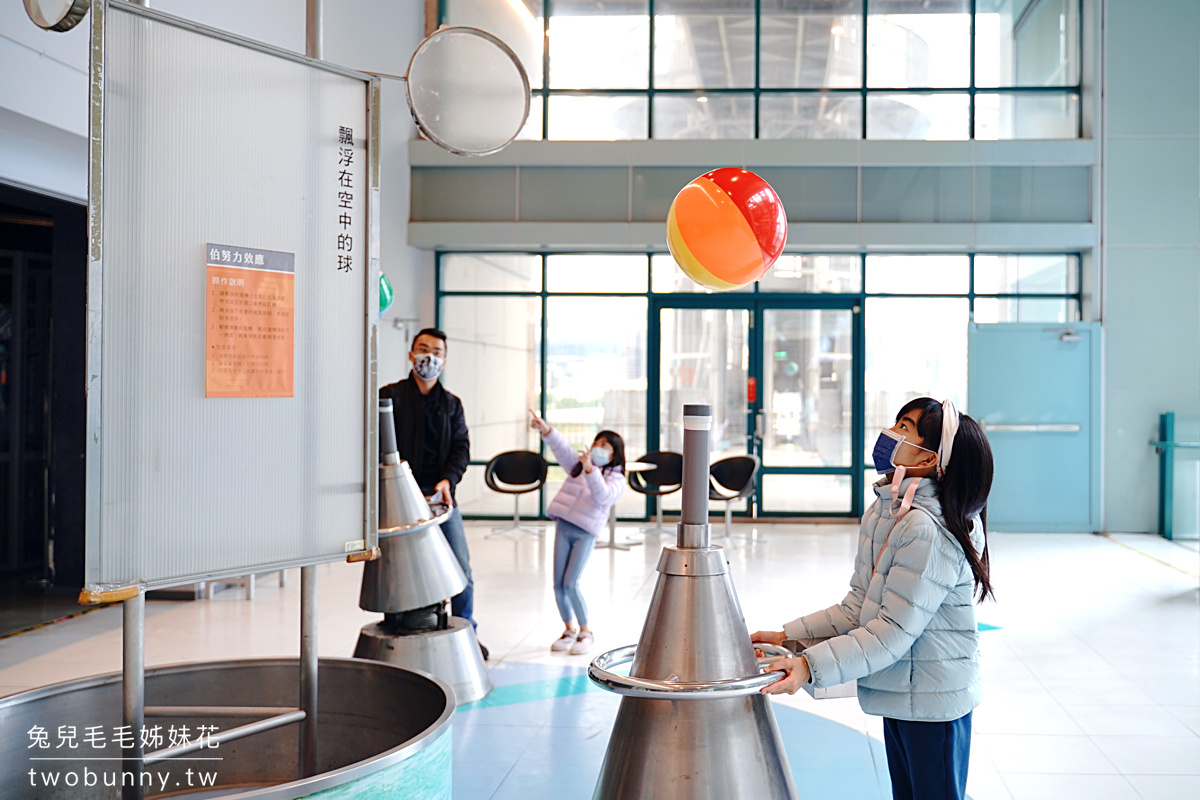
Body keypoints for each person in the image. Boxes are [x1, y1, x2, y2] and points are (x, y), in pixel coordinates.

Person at [752, 397, 994, 800]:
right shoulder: (889, 510)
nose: (890, 435)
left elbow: (891, 631)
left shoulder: (926, 529)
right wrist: (786, 639)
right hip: (903, 691)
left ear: (935, 458)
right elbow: (858, 606)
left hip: (934, 703)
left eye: (905, 429)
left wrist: (809, 666)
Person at [379, 328, 486, 659]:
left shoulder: (452, 404)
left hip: (439, 499)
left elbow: (461, 447)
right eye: (423, 349)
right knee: (397, 571)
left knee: (460, 571)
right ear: (410, 355)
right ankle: (397, 632)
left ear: (444, 359)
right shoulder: (388, 396)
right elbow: (376, 442)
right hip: (399, 501)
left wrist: (447, 480)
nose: (430, 357)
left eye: (436, 351)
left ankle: (467, 632)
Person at [529, 409, 625, 656]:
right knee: (558, 585)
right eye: (597, 443)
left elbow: (604, 497)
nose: (599, 448)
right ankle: (568, 629)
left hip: (585, 532)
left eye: (606, 446)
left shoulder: (616, 479)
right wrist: (545, 429)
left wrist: (592, 471)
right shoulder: (579, 465)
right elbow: (562, 448)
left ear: (615, 453)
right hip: (564, 524)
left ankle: (585, 632)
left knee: (571, 584)